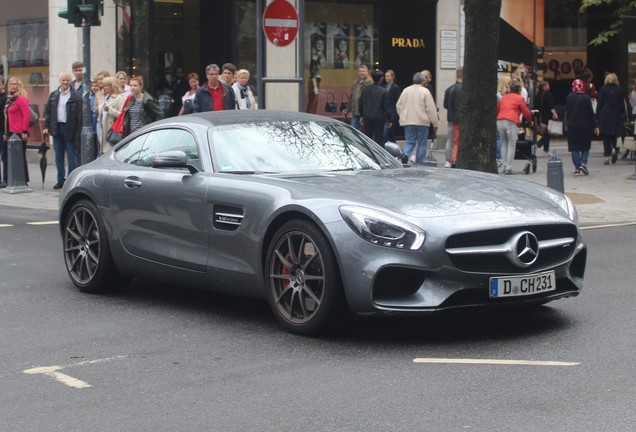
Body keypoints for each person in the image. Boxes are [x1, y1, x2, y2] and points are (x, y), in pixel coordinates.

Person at [43, 72, 82, 189]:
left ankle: (71, 180)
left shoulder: (75, 97)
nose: (65, 82)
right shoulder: (54, 95)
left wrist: (78, 132)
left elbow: (79, 117)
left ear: (71, 82)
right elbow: (48, 112)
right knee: (58, 156)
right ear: (60, 81)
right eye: (63, 80)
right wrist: (46, 126)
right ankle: (60, 179)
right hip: (56, 127)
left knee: (71, 156)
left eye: (67, 80)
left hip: (70, 128)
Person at [396, 72, 439, 165]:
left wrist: (403, 115)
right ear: (422, 81)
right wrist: (435, 123)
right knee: (422, 144)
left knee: (410, 141)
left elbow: (398, 105)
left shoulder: (406, 90)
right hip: (422, 122)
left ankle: (405, 155)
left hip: (408, 121)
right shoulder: (425, 91)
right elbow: (431, 109)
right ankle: (419, 163)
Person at [496, 82, 533, 175]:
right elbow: (526, 112)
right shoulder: (519, 98)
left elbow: (498, 109)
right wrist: (530, 122)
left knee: (504, 143)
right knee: (511, 144)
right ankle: (508, 167)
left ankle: (504, 165)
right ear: (519, 90)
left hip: (500, 120)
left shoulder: (503, 97)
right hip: (510, 120)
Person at [565, 79, 599, 176]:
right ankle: (583, 163)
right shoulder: (586, 98)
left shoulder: (569, 97)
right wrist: (595, 126)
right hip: (585, 126)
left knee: (574, 147)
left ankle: (577, 168)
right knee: (585, 146)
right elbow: (591, 113)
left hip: (572, 125)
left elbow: (567, 111)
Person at [3, 77, 32, 184]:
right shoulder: (9, 99)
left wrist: (25, 131)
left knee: (20, 156)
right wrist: (6, 132)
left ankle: (23, 179)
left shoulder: (20, 98)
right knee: (10, 157)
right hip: (11, 131)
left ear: (19, 85)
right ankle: (12, 178)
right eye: (11, 84)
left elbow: (27, 115)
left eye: (15, 84)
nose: (13, 86)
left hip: (20, 132)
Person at [596, 72, 625, 165]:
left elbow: (599, 103)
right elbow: (622, 104)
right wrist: (622, 114)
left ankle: (607, 156)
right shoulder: (619, 90)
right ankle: (614, 149)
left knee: (605, 136)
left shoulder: (603, 89)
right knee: (614, 135)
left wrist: (597, 114)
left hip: (605, 113)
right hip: (615, 113)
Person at [359, 69, 391, 146]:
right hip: (379, 118)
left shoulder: (365, 89)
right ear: (381, 79)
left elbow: (361, 103)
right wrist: (389, 120)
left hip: (367, 117)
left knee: (368, 138)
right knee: (379, 139)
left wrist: (361, 115)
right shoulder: (383, 91)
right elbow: (386, 106)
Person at [97, 76, 127, 153]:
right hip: (103, 128)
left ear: (112, 85)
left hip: (112, 129)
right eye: (103, 85)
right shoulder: (105, 97)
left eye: (106, 85)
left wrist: (110, 110)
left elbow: (122, 115)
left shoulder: (120, 98)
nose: (104, 87)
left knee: (110, 151)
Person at [443, 67, 463, 167]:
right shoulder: (464, 89)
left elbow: (445, 105)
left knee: (450, 139)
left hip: (450, 117)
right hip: (460, 119)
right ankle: (455, 159)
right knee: (457, 140)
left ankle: (448, 159)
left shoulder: (449, 89)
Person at [534, 81, 558, 154]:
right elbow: (551, 105)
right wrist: (555, 113)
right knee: (549, 133)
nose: (549, 86)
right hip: (547, 116)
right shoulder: (548, 94)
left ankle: (546, 149)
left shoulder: (537, 94)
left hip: (539, 116)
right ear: (544, 86)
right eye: (547, 85)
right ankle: (539, 143)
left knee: (546, 132)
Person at [345, 64, 373, 130]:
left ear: (367, 72)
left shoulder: (370, 83)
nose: (362, 73)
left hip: (366, 113)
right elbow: (352, 97)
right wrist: (348, 109)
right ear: (358, 72)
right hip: (355, 112)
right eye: (360, 71)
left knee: (367, 131)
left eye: (364, 71)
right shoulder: (355, 83)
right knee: (353, 131)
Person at [495, 75, 512, 167]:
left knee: (499, 138)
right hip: (501, 118)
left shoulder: (498, 94)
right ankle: (499, 157)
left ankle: (499, 157)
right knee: (499, 138)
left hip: (499, 118)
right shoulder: (500, 96)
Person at [306, 37, 325, 114]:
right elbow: (312, 72)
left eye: (322, 44)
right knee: (312, 103)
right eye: (318, 44)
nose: (320, 46)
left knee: (315, 102)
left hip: (316, 81)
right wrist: (315, 86)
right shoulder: (314, 58)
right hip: (314, 82)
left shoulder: (318, 58)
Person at [382, 69, 401, 143]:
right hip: (384, 112)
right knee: (390, 132)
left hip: (392, 112)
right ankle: (394, 144)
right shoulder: (383, 87)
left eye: (388, 76)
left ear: (392, 77)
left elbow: (398, 101)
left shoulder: (395, 87)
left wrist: (396, 114)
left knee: (386, 131)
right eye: (385, 76)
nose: (386, 78)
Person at [0, 77, 7, 188]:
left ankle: (6, 178)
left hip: (3, 131)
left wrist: (6, 132)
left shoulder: (6, 98)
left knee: (4, 157)